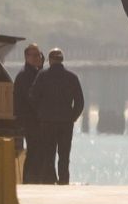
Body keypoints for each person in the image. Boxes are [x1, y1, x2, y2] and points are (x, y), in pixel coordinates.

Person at [30, 47, 84, 185]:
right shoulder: (72, 77)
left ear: (50, 60)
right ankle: (64, 180)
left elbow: (33, 97)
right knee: (64, 154)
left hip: (47, 122)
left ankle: (49, 180)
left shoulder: (42, 76)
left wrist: (40, 114)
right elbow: (80, 102)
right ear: (62, 60)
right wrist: (73, 117)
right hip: (66, 123)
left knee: (49, 154)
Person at [13, 43, 44, 184]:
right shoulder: (26, 75)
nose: (38, 58)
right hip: (30, 119)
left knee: (37, 151)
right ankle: (29, 180)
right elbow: (31, 98)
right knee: (33, 151)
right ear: (27, 57)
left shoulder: (35, 73)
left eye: (39, 55)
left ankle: (34, 179)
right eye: (35, 55)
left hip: (33, 119)